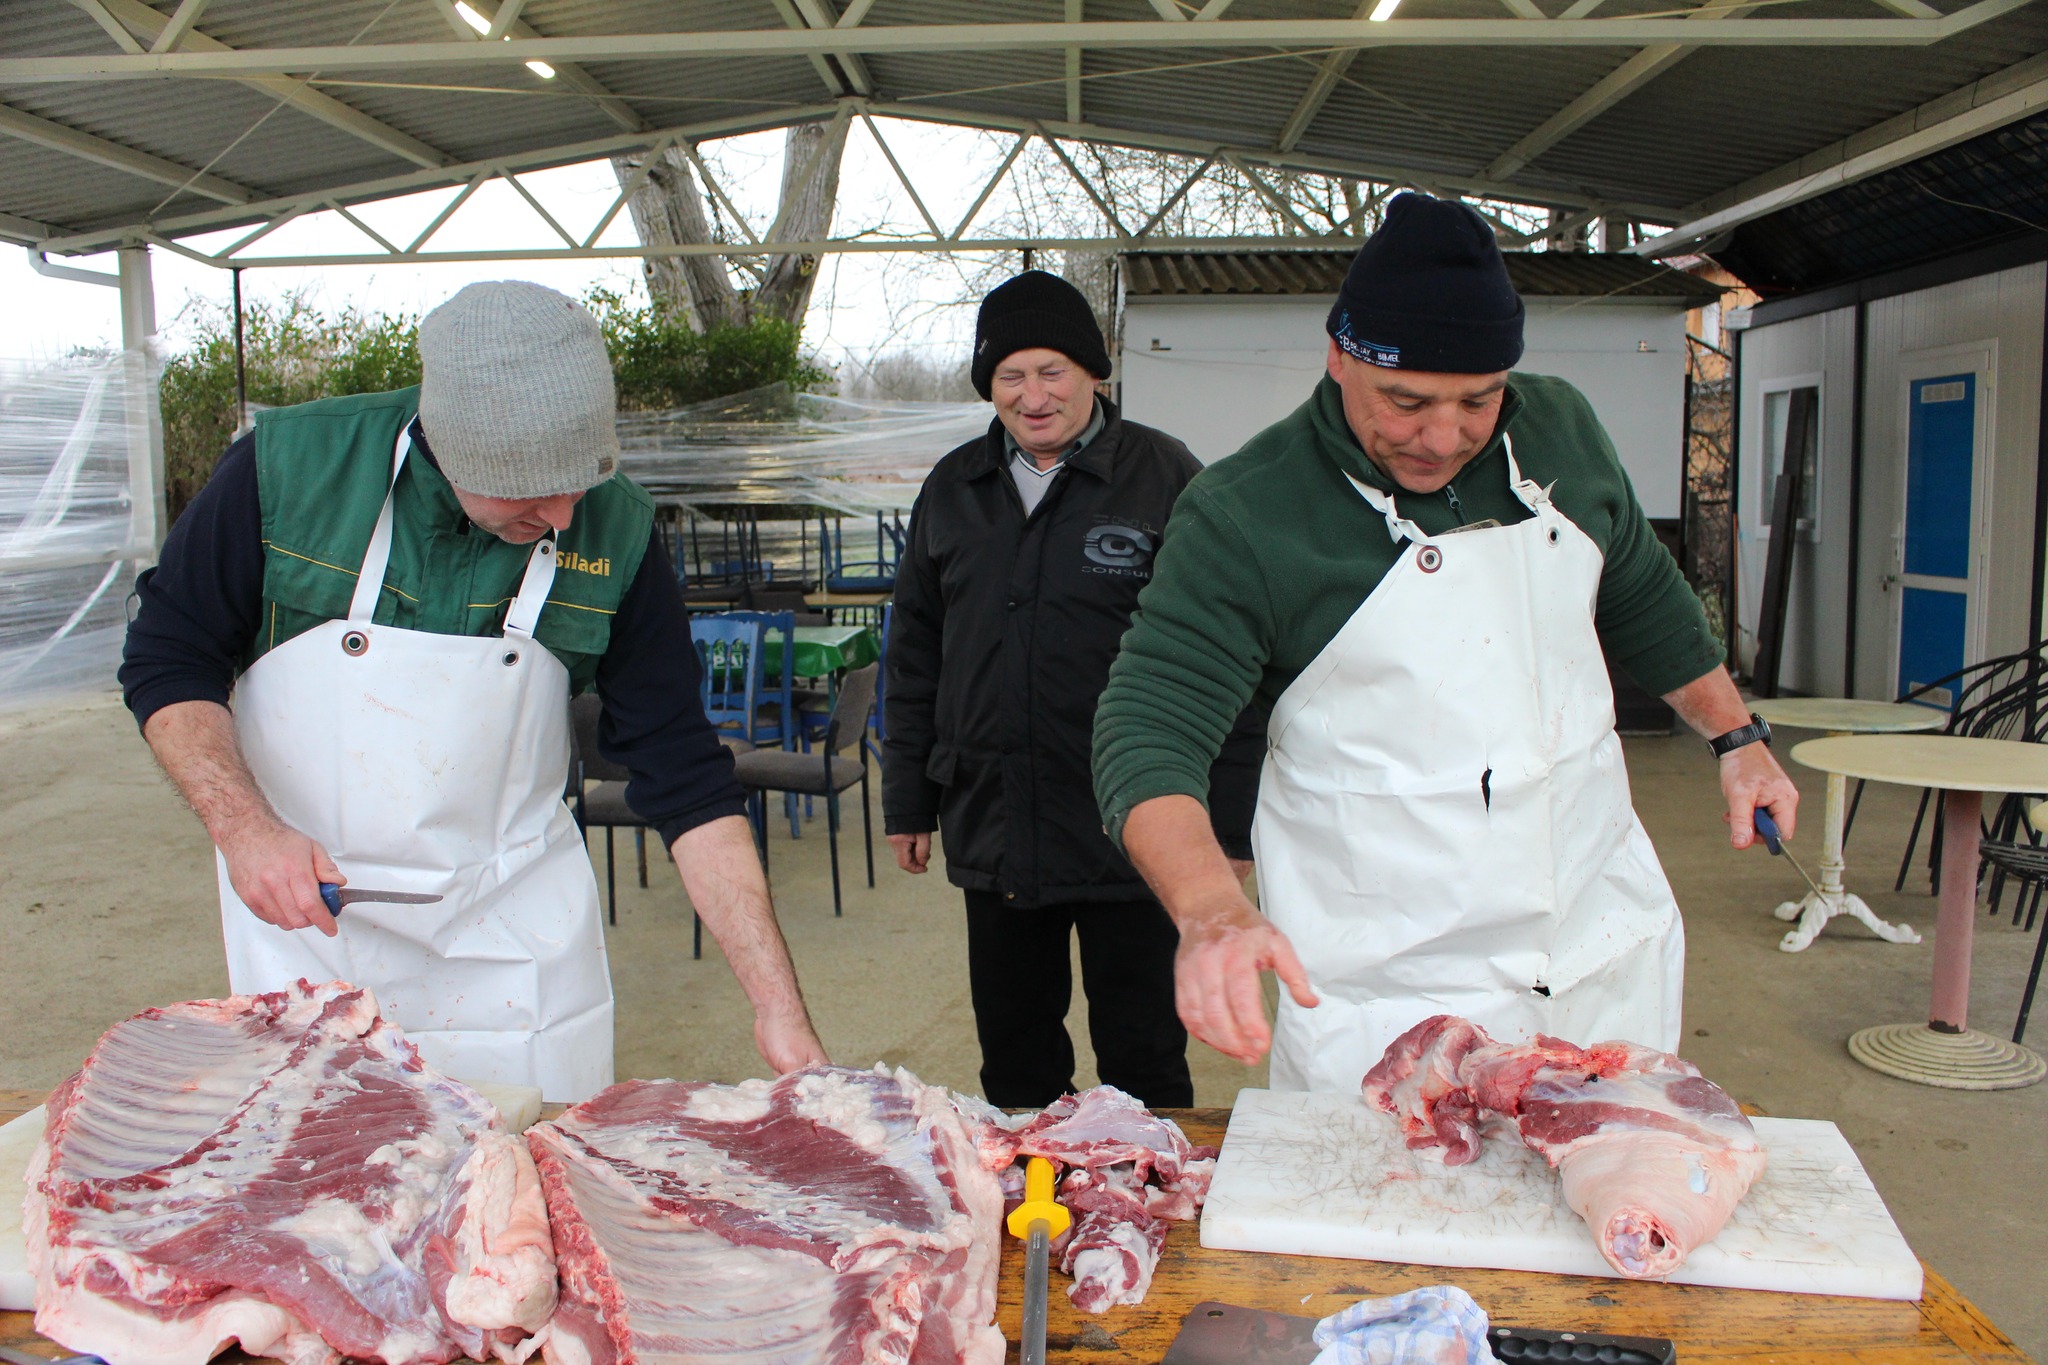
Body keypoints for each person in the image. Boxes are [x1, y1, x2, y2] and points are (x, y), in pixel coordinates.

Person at [1092, 194, 1801, 1094]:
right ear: (1339, 356)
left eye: (1479, 400)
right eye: (1407, 401)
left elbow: (1642, 594)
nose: (1445, 437)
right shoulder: (1247, 513)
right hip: (1393, 992)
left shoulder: (1563, 431)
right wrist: (1209, 909)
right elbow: (1147, 730)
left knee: (1613, 1199)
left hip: (1596, 946)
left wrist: (1737, 741)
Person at [120, 280, 825, 1102]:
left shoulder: (619, 528)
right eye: (532, 490)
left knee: (527, 1191)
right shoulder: (289, 474)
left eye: (581, 484)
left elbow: (686, 776)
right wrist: (245, 831)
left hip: (515, 942)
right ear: (449, 447)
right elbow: (168, 659)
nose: (564, 515)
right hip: (312, 927)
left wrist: (780, 1008)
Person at [883, 270, 1262, 1109]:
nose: (1033, 395)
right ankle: (1034, 1221)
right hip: (995, 821)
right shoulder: (953, 487)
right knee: (1016, 1062)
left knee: (1146, 1057)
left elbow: (1233, 660)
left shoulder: (1166, 478)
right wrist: (908, 798)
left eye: (1052, 370)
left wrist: (1226, 826)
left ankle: (1146, 1219)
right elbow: (914, 648)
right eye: (1010, 376)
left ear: (1095, 372)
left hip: (1137, 830)